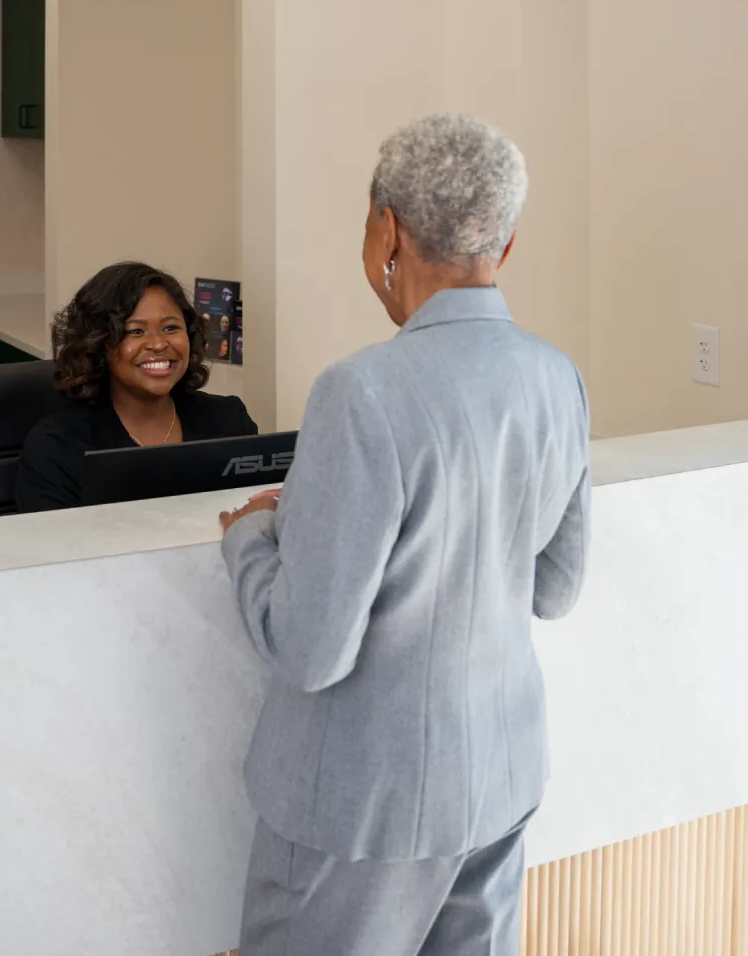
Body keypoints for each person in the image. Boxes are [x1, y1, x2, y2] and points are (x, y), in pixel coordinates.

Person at [218, 114, 591, 956]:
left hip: (362, 807)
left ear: (385, 229)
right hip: (497, 779)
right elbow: (557, 588)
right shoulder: (556, 377)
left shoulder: (363, 392)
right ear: (508, 243)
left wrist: (250, 539)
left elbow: (312, 649)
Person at [14, 261, 257, 512]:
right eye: (136, 331)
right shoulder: (58, 447)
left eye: (170, 328)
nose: (158, 344)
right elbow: (52, 547)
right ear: (99, 344)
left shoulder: (229, 421)